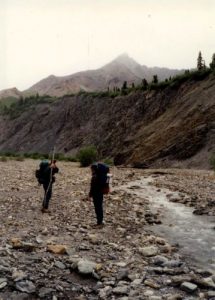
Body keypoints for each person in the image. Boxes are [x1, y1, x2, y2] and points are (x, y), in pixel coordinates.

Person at [89, 162, 110, 227]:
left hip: (96, 194)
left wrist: (90, 193)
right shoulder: (101, 175)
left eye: (91, 169)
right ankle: (100, 220)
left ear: (94, 169)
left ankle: (99, 222)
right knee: (99, 207)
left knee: (97, 207)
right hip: (100, 193)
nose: (91, 170)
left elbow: (93, 186)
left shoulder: (95, 176)